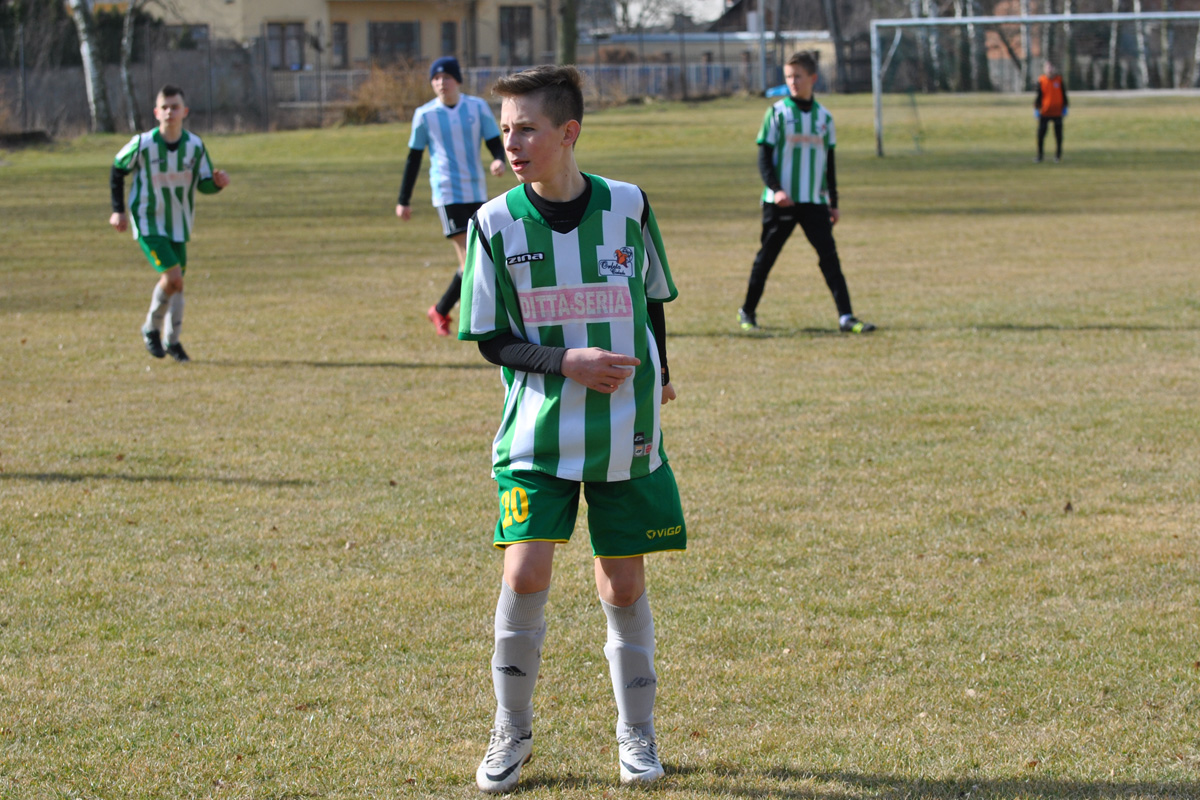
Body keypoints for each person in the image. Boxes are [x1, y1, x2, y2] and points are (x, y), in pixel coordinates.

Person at [458, 65, 685, 793]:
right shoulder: (492, 223)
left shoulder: (629, 205)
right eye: (505, 130)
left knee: (622, 584)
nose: (511, 143)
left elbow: (651, 298)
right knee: (525, 571)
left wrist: (663, 371)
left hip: (625, 426)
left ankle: (637, 735)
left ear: (568, 133)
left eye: (526, 129)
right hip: (537, 429)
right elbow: (491, 338)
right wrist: (567, 362)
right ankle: (511, 730)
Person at [737, 51, 874, 335]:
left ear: (813, 78)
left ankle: (846, 317)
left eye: (798, 76)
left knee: (830, 258)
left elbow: (829, 164)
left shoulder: (825, 118)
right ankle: (747, 311)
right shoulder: (777, 113)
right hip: (781, 202)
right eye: (788, 76)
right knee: (766, 258)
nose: (793, 82)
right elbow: (764, 158)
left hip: (814, 201)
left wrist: (833, 202)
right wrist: (776, 190)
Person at [110, 85, 229, 363]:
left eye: (175, 107)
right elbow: (117, 169)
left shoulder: (195, 146)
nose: (169, 112)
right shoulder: (143, 144)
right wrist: (118, 211)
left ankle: (173, 342)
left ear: (184, 111)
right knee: (173, 278)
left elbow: (204, 183)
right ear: (156, 112)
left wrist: (217, 184)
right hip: (147, 220)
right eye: (164, 107)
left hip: (178, 223)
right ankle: (151, 329)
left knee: (177, 283)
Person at [396, 56, 506, 336]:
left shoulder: (477, 107)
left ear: (457, 80)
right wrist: (403, 200)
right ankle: (477, 319)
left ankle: (441, 309)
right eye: (435, 78)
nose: (440, 83)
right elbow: (413, 158)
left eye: (446, 77)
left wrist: (498, 159)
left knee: (478, 256)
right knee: (471, 258)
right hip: (447, 192)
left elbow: (495, 141)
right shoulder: (425, 115)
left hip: (476, 190)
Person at [1034, 60, 1069, 163]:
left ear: (1054, 68)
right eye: (1047, 67)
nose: (1049, 69)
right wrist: (1036, 109)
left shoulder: (1059, 80)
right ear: (1044, 69)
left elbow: (1064, 94)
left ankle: (1058, 156)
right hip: (1045, 112)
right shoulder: (1042, 80)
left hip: (1057, 112)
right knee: (1041, 135)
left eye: (1051, 67)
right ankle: (1040, 156)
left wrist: (1065, 107)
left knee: (1058, 135)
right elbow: (1039, 96)